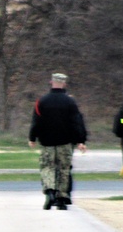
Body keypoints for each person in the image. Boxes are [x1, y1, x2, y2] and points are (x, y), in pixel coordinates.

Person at [28, 72, 88, 210]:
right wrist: (81, 140)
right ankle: (61, 198)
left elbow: (36, 121)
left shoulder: (42, 101)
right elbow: (76, 122)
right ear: (64, 84)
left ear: (51, 82)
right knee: (63, 169)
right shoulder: (70, 102)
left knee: (47, 167)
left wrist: (32, 137)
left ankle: (50, 191)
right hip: (65, 142)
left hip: (46, 141)